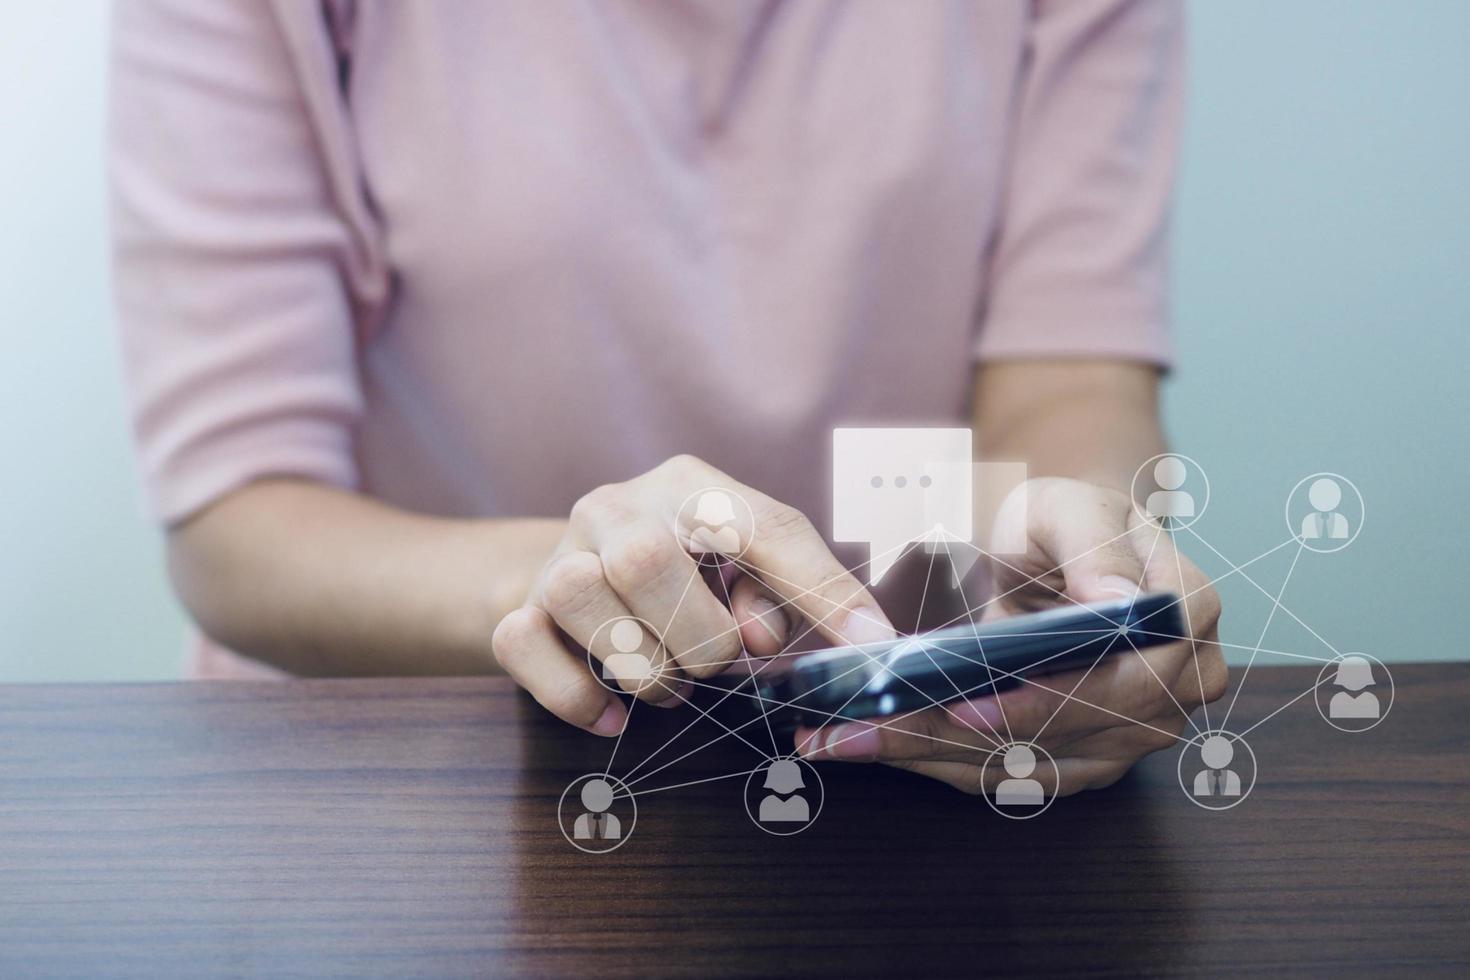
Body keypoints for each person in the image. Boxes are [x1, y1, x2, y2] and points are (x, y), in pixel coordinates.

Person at [110, 0, 1225, 799]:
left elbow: (1069, 373)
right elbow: (241, 525)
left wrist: (1068, 562)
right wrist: (563, 582)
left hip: (914, 774)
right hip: (421, 790)